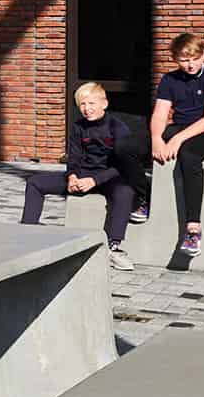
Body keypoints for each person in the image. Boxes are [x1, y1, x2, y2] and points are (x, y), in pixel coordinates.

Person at [20, 81, 140, 268]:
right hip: (82, 176)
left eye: (92, 103)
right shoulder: (78, 126)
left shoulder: (118, 127)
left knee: (125, 192)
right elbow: (74, 157)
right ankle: (27, 235)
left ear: (104, 104)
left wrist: (95, 180)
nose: (87, 109)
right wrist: (72, 177)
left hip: (109, 177)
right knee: (35, 183)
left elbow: (123, 165)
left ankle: (113, 248)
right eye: (82, 104)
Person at [149, 32, 204, 258]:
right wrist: (156, 139)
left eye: (194, 58)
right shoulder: (169, 80)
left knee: (189, 155)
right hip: (181, 127)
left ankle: (193, 228)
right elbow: (160, 114)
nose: (190, 64)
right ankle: (140, 200)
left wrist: (176, 139)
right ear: (175, 59)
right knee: (136, 144)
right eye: (184, 60)